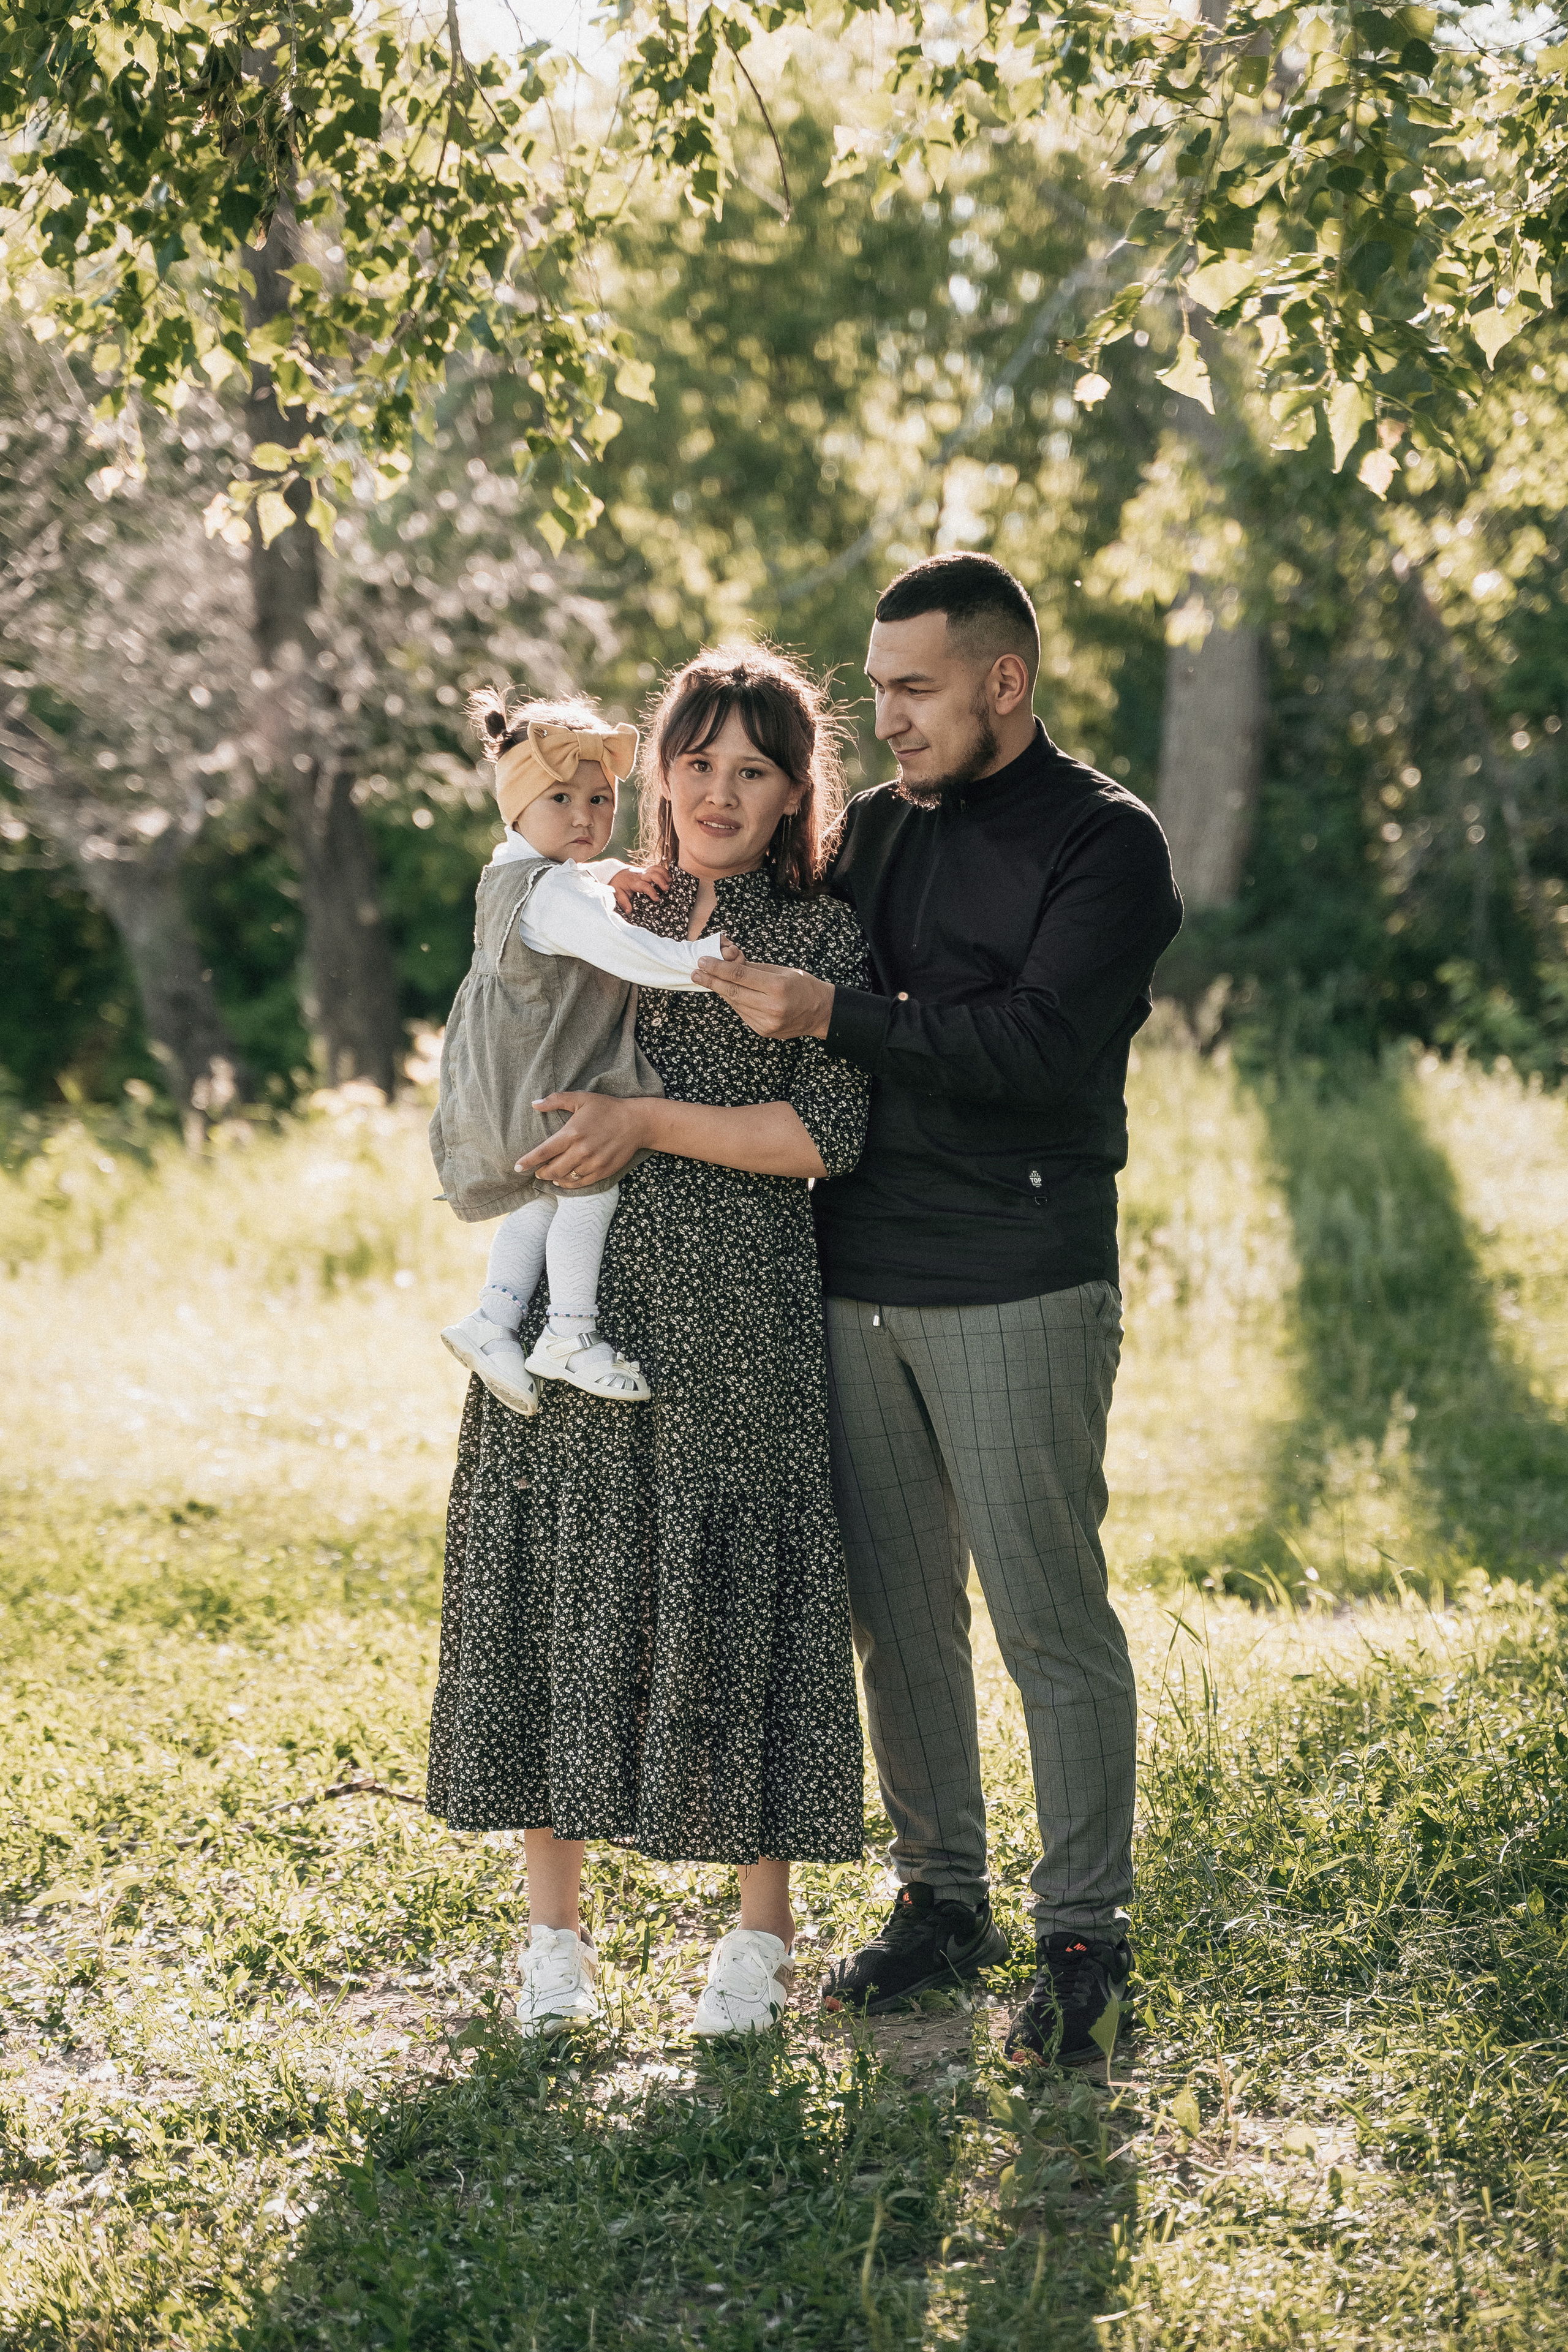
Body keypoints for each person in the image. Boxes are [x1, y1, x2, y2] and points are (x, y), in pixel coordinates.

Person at [694, 554, 1183, 2067]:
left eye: (910, 688)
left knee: (1045, 1614)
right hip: (850, 1277)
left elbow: (1037, 1047)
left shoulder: (1106, 844)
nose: (883, 717)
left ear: (1001, 684)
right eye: (875, 685)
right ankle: (938, 1900)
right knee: (897, 1621)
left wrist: (834, 1014)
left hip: (1018, 1273)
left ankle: (1084, 1935)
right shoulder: (875, 841)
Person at [426, 647, 872, 2040]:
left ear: (795, 788)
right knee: (561, 1589)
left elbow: (822, 1138)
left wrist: (644, 1123)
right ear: (652, 773)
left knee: (738, 1593)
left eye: (752, 768)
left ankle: (757, 1934)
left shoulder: (823, 939)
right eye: (695, 762)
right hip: (578, 1312)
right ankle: (552, 1942)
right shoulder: (594, 889)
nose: (718, 790)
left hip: (736, 1313)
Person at [433, 692, 725, 1415]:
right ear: (517, 806)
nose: (584, 817)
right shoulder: (557, 897)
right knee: (592, 1189)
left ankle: (493, 1320)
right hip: (541, 1085)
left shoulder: (512, 873)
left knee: (539, 1197)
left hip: (498, 1090)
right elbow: (622, 948)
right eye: (560, 798)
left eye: (600, 799)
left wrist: (607, 875)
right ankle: (568, 1333)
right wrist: (704, 960)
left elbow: (564, 889)